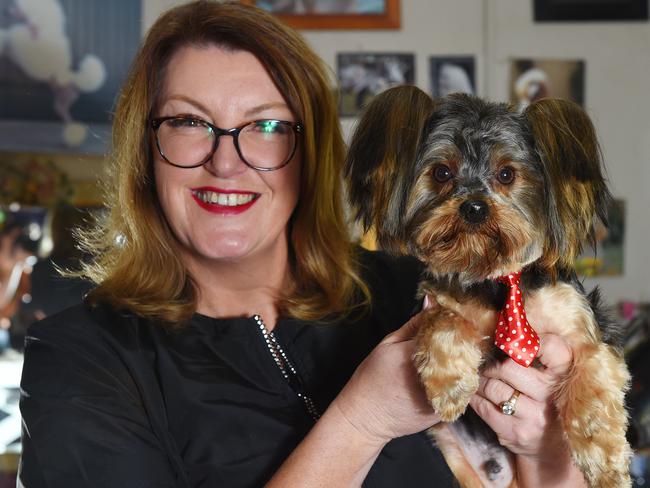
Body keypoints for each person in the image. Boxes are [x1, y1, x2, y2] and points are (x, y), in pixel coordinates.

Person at [18, 1, 588, 487]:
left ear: (308, 152)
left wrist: (543, 449)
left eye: (266, 127)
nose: (225, 162)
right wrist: (364, 418)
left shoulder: (410, 290)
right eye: (189, 123)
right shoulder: (77, 359)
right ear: (145, 151)